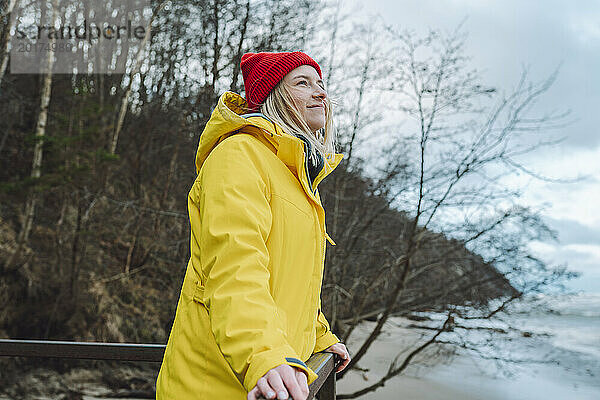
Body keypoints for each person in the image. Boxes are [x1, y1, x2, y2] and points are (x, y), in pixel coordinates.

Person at [156, 51, 351, 400]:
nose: (320, 93)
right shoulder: (238, 155)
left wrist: (319, 336)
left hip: (271, 381)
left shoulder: (297, 178)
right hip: (215, 385)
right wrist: (264, 354)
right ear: (272, 95)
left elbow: (293, 281)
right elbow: (235, 267)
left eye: (320, 84)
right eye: (302, 83)